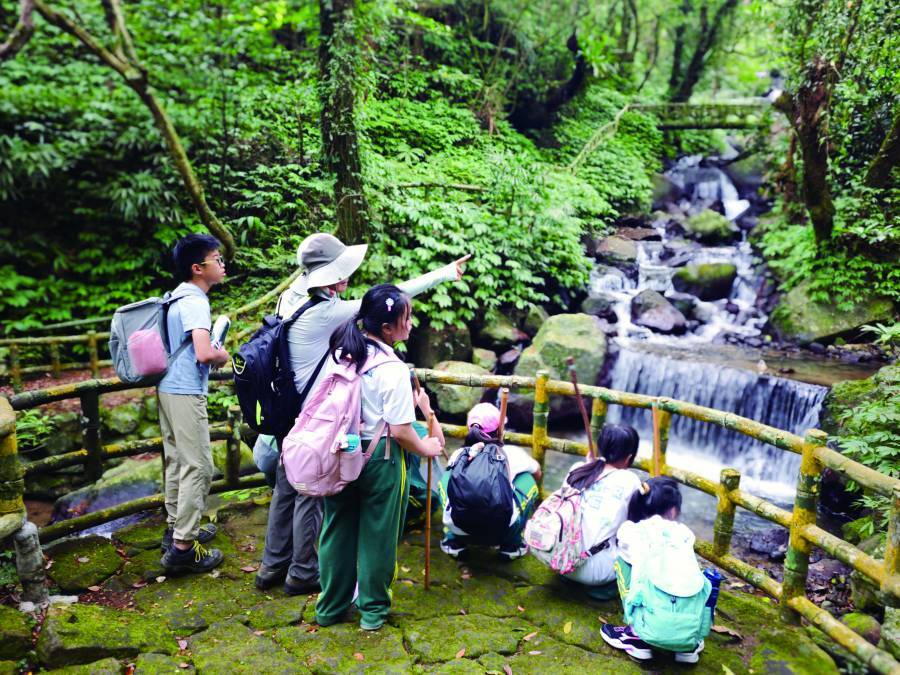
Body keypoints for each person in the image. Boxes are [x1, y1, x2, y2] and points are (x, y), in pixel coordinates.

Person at [256, 233, 468, 595]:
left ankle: (271, 567)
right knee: (311, 492)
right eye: (340, 272)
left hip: (291, 409)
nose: (347, 277)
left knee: (287, 483)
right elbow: (388, 299)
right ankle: (303, 573)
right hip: (320, 416)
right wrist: (445, 273)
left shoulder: (289, 298)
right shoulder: (329, 311)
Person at [314, 284, 443, 631]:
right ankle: (372, 613)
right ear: (387, 329)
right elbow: (402, 431)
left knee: (336, 530)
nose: (411, 324)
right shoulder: (393, 369)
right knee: (378, 535)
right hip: (381, 459)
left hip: (341, 452)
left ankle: (329, 608)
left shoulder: (342, 354)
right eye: (407, 317)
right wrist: (427, 447)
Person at [158, 234, 231, 573]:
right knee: (199, 466)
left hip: (167, 387)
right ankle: (184, 548)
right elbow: (203, 353)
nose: (222, 264)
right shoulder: (195, 301)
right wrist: (222, 354)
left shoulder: (175, 297)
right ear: (198, 268)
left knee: (177, 461)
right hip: (185, 390)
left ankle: (176, 527)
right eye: (217, 259)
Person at [601, 477, 713, 664]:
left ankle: (636, 636)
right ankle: (686, 649)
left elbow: (633, 562)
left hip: (650, 625)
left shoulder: (631, 530)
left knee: (623, 561)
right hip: (691, 632)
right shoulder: (685, 533)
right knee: (687, 568)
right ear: (673, 510)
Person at [438, 402, 541, 561]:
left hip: (460, 528)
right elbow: (538, 473)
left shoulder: (459, 454)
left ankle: (453, 542)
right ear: (500, 430)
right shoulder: (512, 454)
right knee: (528, 480)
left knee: (447, 478)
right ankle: (512, 546)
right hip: (502, 532)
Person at [559, 424, 641, 600]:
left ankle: (570, 579)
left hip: (560, 559)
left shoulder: (577, 469)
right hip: (598, 573)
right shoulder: (630, 481)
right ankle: (609, 588)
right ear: (628, 458)